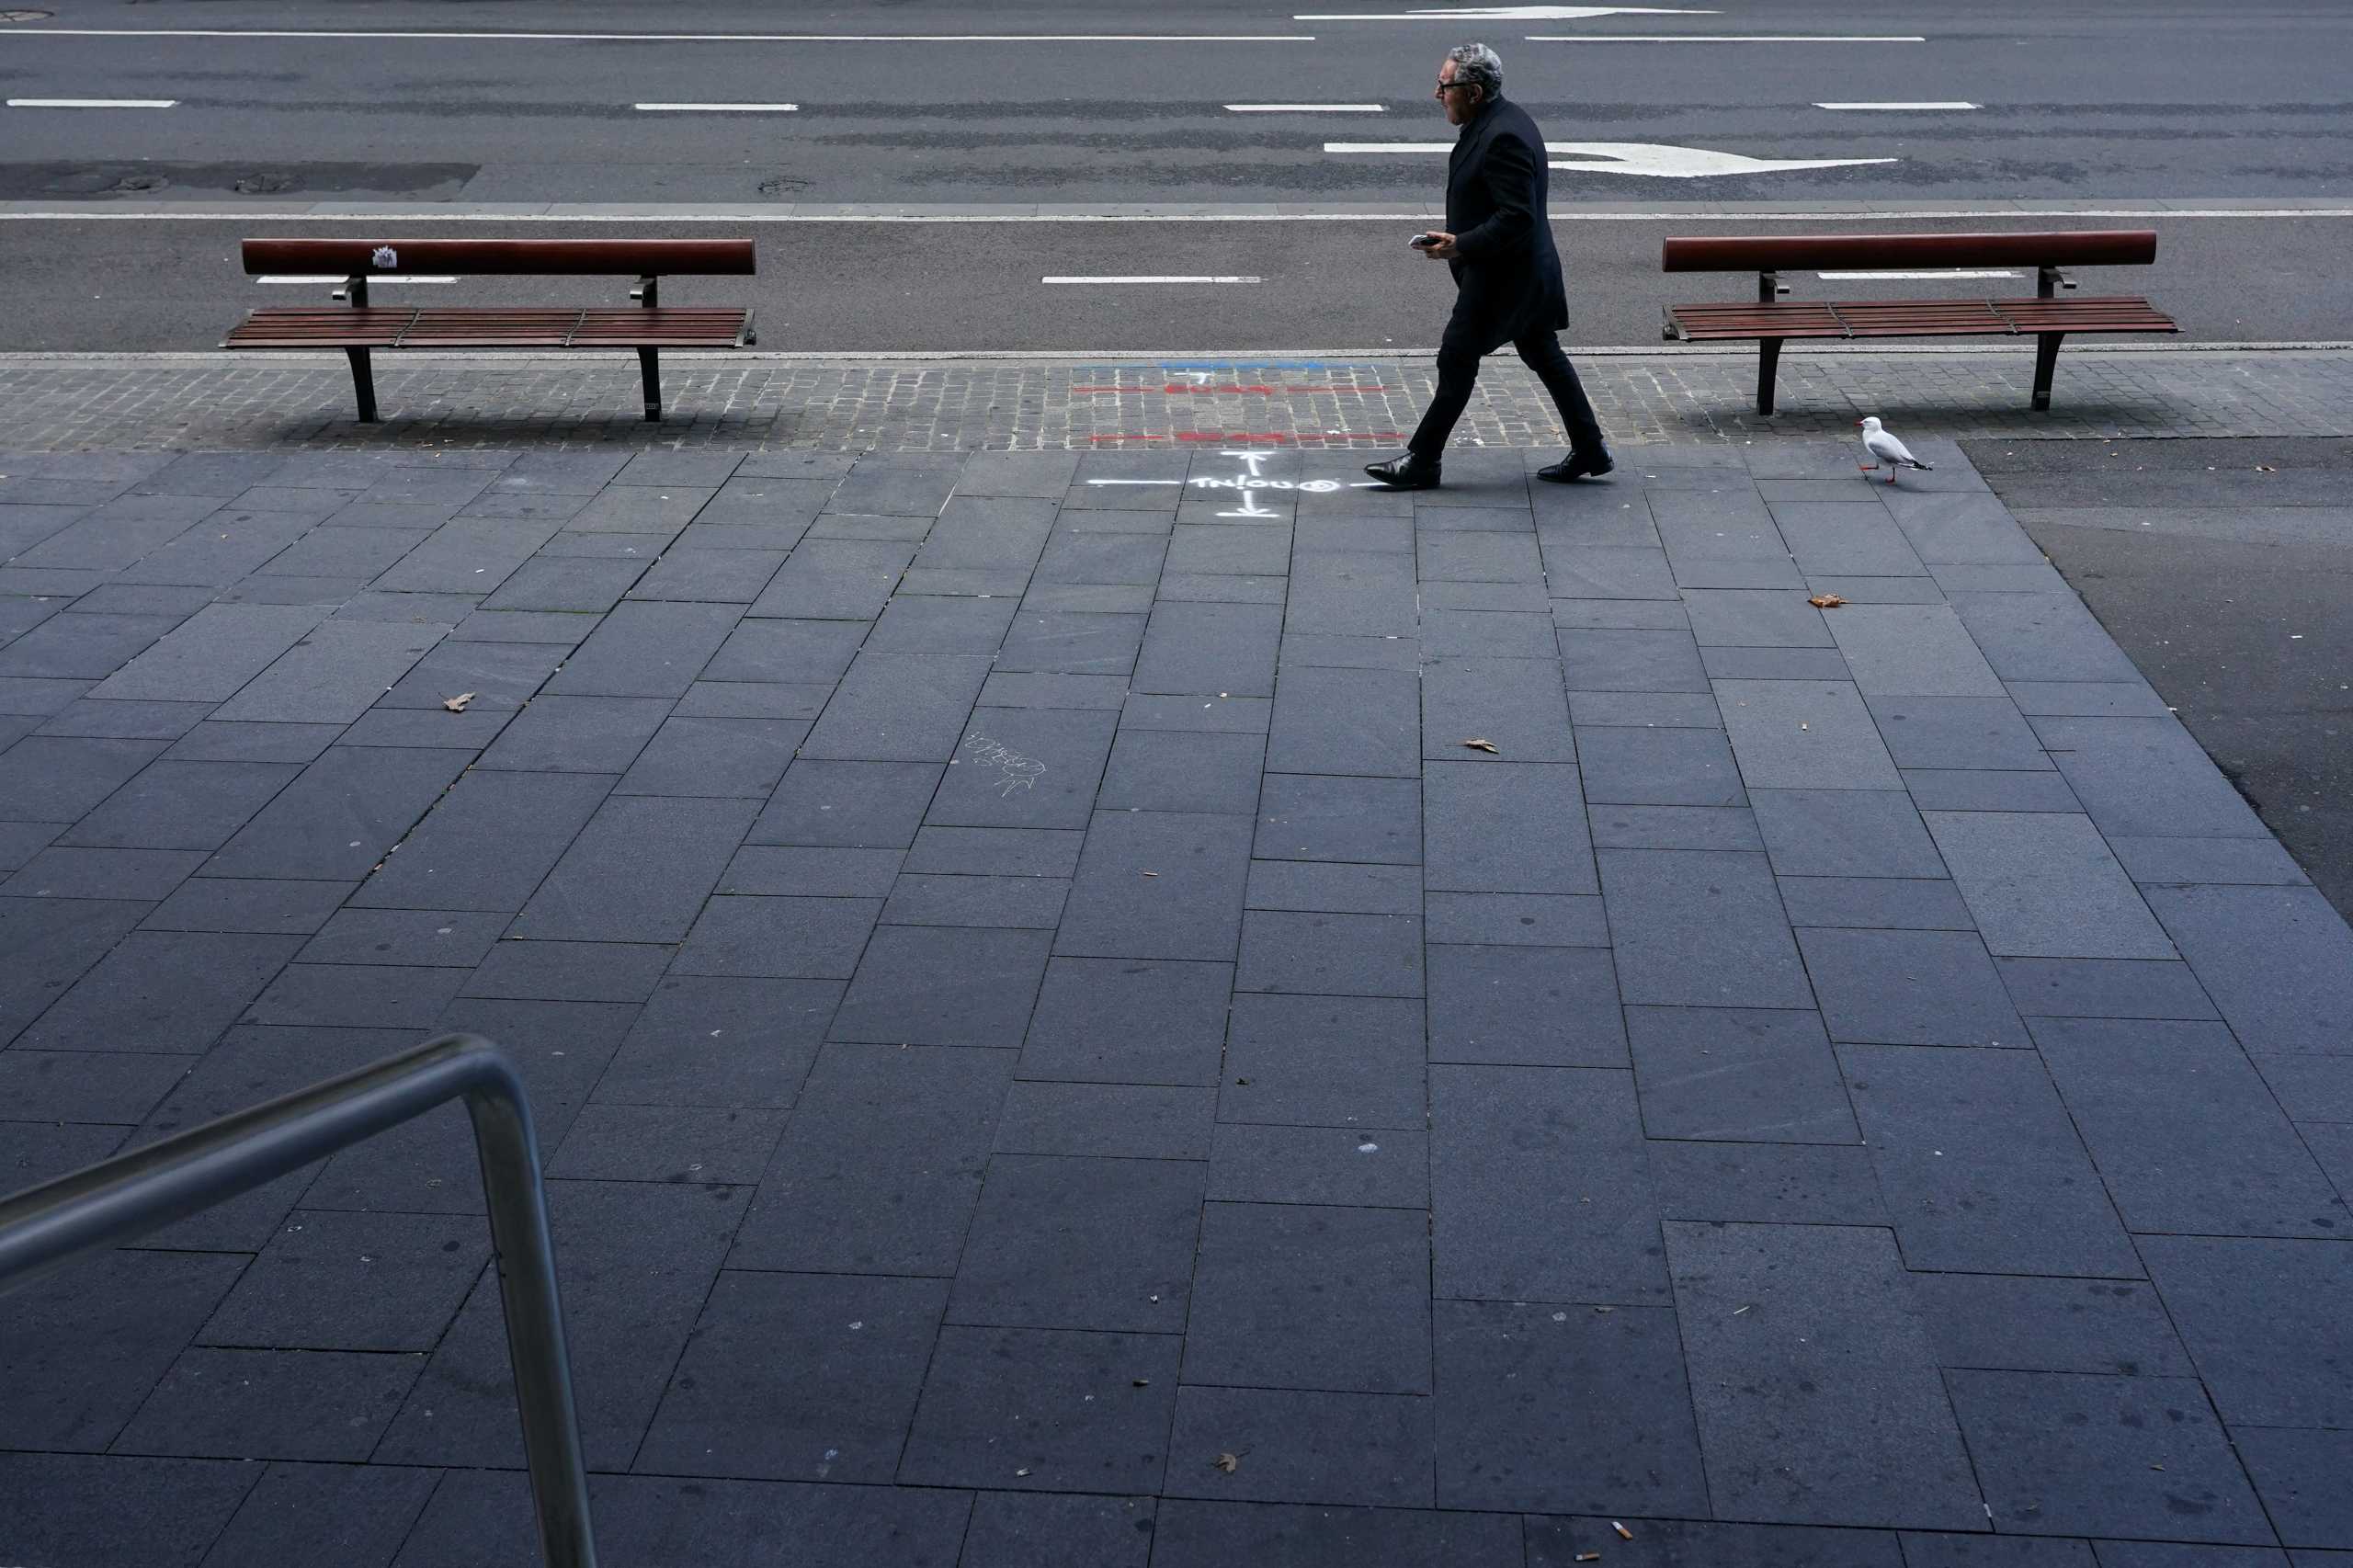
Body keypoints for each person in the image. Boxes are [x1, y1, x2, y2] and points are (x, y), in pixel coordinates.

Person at [1366, 42, 1613, 491]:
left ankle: (1423, 460)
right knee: (1543, 352)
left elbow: (1518, 216)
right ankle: (1590, 448)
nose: (1437, 94)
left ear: (1474, 91)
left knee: (1457, 357)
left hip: (1504, 279)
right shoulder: (1498, 121)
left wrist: (1461, 245)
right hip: (1517, 272)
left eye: (1445, 85)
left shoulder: (1504, 136)